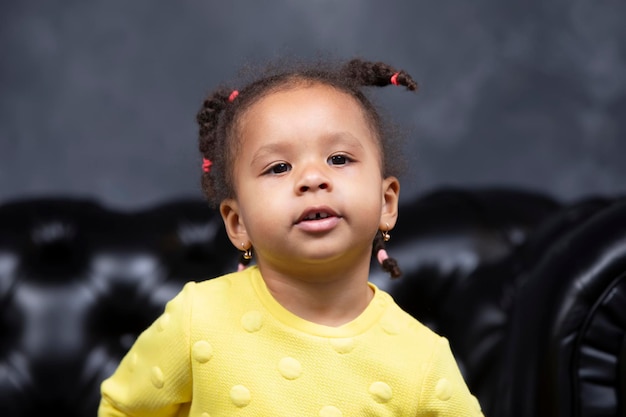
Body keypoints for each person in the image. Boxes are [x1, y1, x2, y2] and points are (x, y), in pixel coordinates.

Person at [98, 57, 484, 416]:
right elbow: (121, 408)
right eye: (279, 167)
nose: (313, 178)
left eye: (339, 159)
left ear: (386, 203)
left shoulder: (421, 358)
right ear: (237, 224)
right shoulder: (197, 319)